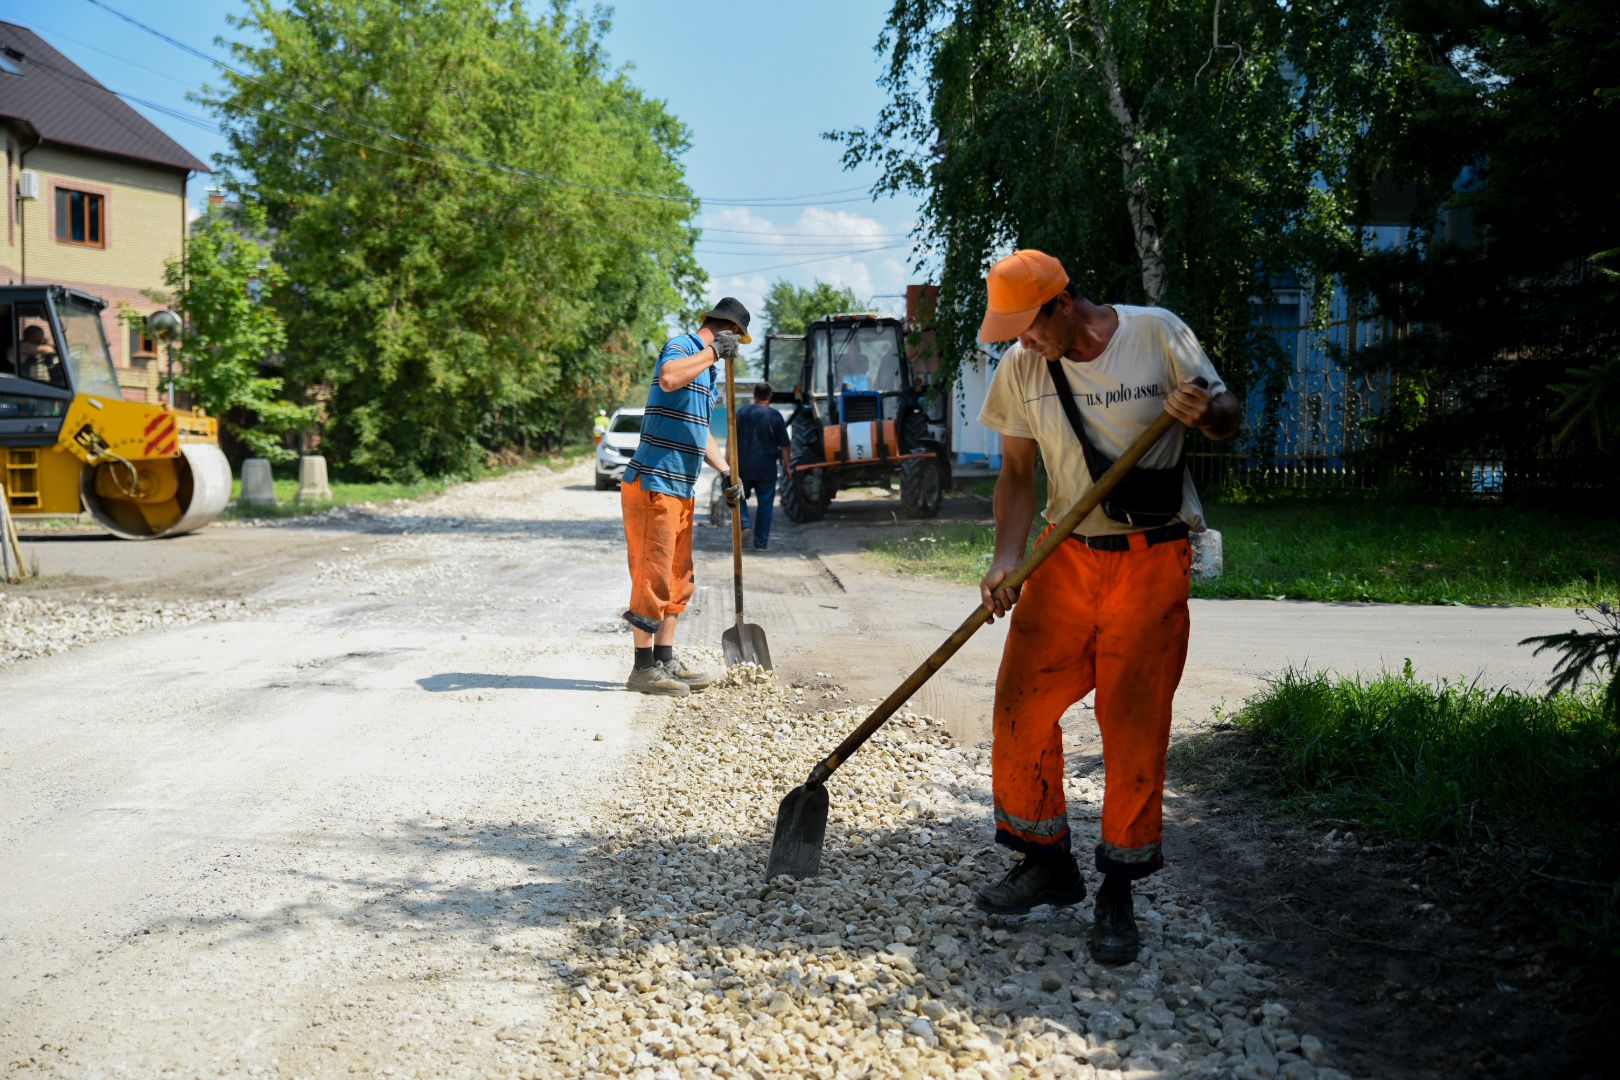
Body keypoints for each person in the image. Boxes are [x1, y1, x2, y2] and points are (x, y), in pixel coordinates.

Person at [971, 249, 1240, 965]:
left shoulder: (1156, 335)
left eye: (1027, 328)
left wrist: (1204, 409)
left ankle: (1118, 888)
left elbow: (1227, 417)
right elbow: (1017, 475)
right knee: (1020, 708)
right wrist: (1006, 559)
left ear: (1062, 305)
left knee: (1132, 724)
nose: (1021, 343)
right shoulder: (1022, 371)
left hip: (1152, 561)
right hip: (1063, 556)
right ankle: (1046, 861)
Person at [619, 296, 750, 696]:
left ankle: (664, 659)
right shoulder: (682, 347)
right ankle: (642, 670)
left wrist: (727, 471)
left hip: (681, 487)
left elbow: (700, 433)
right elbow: (669, 378)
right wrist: (712, 352)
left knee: (678, 578)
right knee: (652, 575)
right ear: (728, 331)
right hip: (654, 483)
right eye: (735, 342)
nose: (734, 353)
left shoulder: (708, 374)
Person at [734, 382, 792, 551]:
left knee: (739, 498)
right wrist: (787, 466)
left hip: (742, 467)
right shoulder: (775, 416)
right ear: (770, 396)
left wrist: (727, 462)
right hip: (767, 468)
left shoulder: (741, 413)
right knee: (765, 504)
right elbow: (785, 445)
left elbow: (732, 438)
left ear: (754, 395)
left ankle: (744, 524)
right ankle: (760, 543)